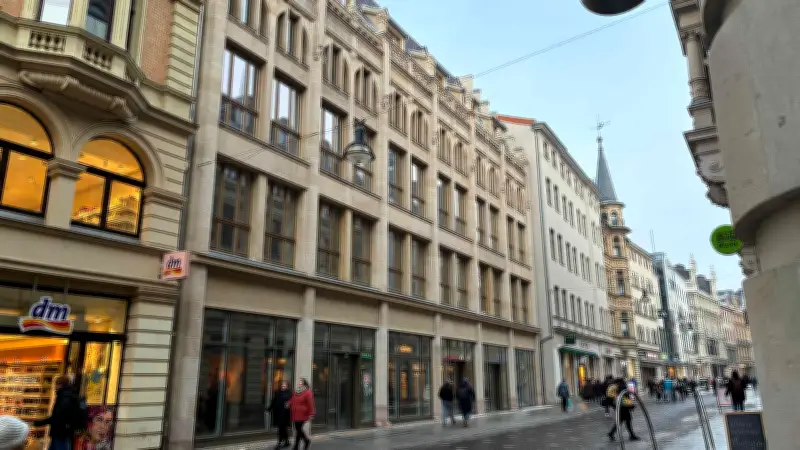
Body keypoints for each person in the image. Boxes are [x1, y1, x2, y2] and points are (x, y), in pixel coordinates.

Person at [34, 375, 82, 450]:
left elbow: (57, 417)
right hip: (61, 433)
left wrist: (40, 422)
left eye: (56, 385)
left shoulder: (64, 397)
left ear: (60, 385)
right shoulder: (67, 395)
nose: (55, 387)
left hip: (60, 433)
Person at [607, 378, 640, 442]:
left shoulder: (613, 387)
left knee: (621, 421)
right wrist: (631, 403)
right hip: (624, 406)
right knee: (627, 421)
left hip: (619, 406)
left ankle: (611, 433)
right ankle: (631, 435)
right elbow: (625, 395)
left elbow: (610, 398)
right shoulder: (622, 386)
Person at [287, 378, 314, 450]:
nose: (299, 382)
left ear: (304, 383)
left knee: (298, 429)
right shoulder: (296, 391)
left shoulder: (308, 392)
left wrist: (311, 413)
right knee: (298, 430)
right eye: (299, 381)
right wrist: (289, 403)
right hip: (295, 413)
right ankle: (297, 446)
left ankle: (306, 441)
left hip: (303, 414)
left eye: (300, 381)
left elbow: (310, 403)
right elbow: (292, 399)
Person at [267, 381, 293, 448]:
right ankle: (287, 442)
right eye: (282, 386)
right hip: (278, 413)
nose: (283, 387)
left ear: (287, 386)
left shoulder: (290, 394)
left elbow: (293, 403)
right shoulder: (278, 392)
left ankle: (279, 443)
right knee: (283, 429)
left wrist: (289, 405)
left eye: (284, 386)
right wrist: (269, 408)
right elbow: (274, 401)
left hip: (285, 414)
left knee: (281, 429)